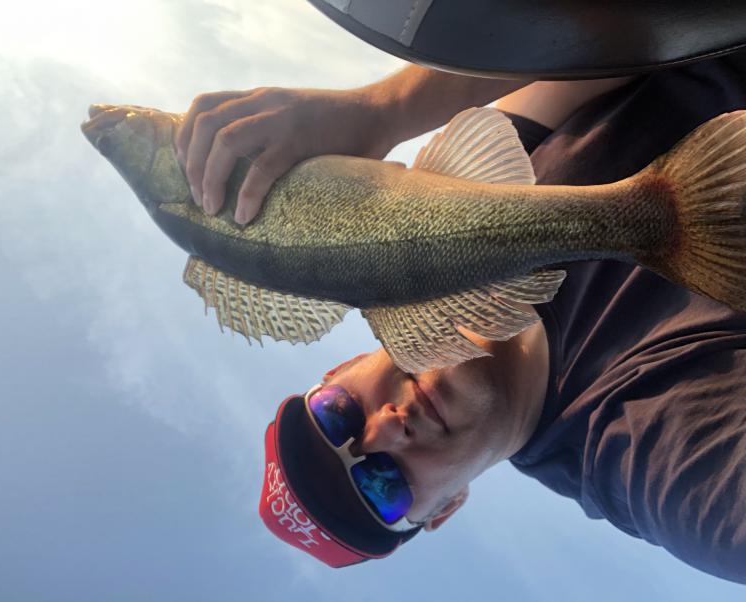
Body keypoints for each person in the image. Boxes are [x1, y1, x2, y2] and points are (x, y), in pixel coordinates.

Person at [173, 6, 746, 584]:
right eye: (383, 486)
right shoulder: (645, 451)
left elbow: (600, 28)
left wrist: (381, 111)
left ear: (341, 371)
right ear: (445, 508)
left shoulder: (463, 196)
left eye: (337, 415)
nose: (386, 430)